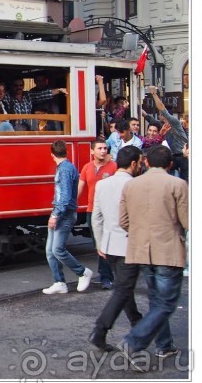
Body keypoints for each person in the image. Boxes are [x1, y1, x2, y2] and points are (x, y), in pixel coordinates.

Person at [118, 145, 188, 370]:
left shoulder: (131, 185)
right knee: (166, 303)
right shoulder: (177, 184)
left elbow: (123, 220)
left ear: (146, 162)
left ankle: (164, 344)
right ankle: (134, 341)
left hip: (141, 249)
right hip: (168, 250)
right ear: (169, 165)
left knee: (157, 300)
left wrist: (140, 231)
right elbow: (187, 221)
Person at [88, 146, 145, 352]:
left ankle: (136, 321)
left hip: (110, 245)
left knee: (124, 287)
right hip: (130, 244)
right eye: (139, 162)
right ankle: (100, 330)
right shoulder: (135, 185)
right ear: (133, 164)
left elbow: (96, 217)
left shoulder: (102, 185)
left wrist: (100, 242)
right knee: (122, 290)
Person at [42, 140, 94, 294]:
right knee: (51, 251)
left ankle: (83, 272)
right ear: (66, 151)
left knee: (56, 250)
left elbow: (64, 197)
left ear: (52, 154)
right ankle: (59, 282)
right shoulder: (66, 167)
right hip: (61, 212)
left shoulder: (64, 170)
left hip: (63, 214)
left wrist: (55, 215)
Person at [78, 139, 118, 289]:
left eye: (105, 148)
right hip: (92, 210)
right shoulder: (87, 167)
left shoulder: (113, 166)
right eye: (100, 148)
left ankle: (107, 277)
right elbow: (81, 187)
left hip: (108, 210)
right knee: (98, 244)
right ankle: (104, 274)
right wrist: (72, 204)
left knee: (105, 244)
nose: (103, 151)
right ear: (92, 151)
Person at [146, 85, 188, 181]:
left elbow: (162, 109)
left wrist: (154, 93)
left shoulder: (174, 121)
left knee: (186, 178)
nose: (159, 115)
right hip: (174, 155)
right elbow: (147, 117)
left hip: (183, 155)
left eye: (160, 114)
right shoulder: (161, 124)